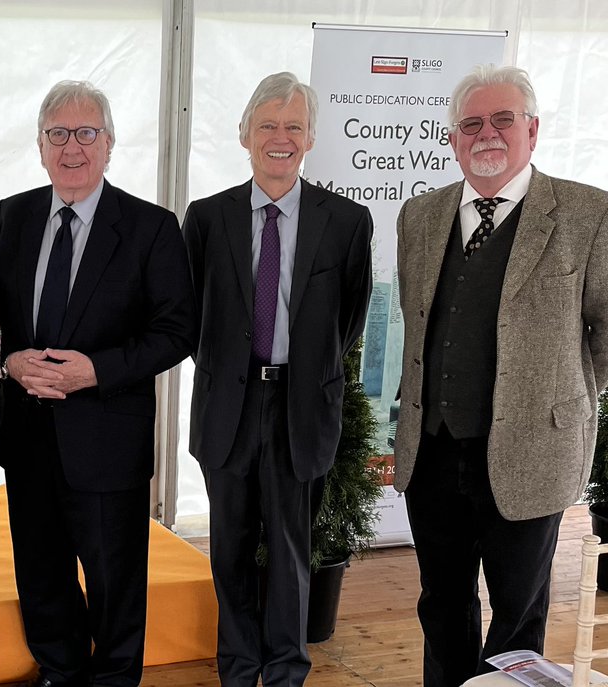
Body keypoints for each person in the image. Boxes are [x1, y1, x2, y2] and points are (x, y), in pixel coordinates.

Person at [394, 63, 608, 686]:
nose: (486, 133)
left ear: (532, 130)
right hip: (432, 450)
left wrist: (562, 397)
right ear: (454, 138)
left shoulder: (587, 213)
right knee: (442, 604)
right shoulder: (421, 216)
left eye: (503, 120)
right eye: (471, 123)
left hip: (534, 450)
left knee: (517, 615)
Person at [0, 80, 196, 687]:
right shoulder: (14, 214)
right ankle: (60, 670)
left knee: (114, 580)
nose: (72, 148)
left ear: (109, 144)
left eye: (86, 134)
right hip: (28, 435)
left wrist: (96, 371)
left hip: (107, 440)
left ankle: (113, 679)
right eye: (58, 134)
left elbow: (177, 330)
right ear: (40, 145)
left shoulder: (152, 226)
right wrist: (9, 360)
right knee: (41, 573)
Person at [182, 71, 373, 687]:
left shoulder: (346, 221)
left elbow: (349, 320)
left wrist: (299, 372)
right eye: (267, 125)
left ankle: (287, 670)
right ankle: (238, 668)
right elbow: (191, 315)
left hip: (300, 406)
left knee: (292, 551)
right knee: (230, 549)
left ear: (311, 136)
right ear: (245, 135)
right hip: (228, 406)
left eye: (293, 125)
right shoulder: (207, 218)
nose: (280, 137)